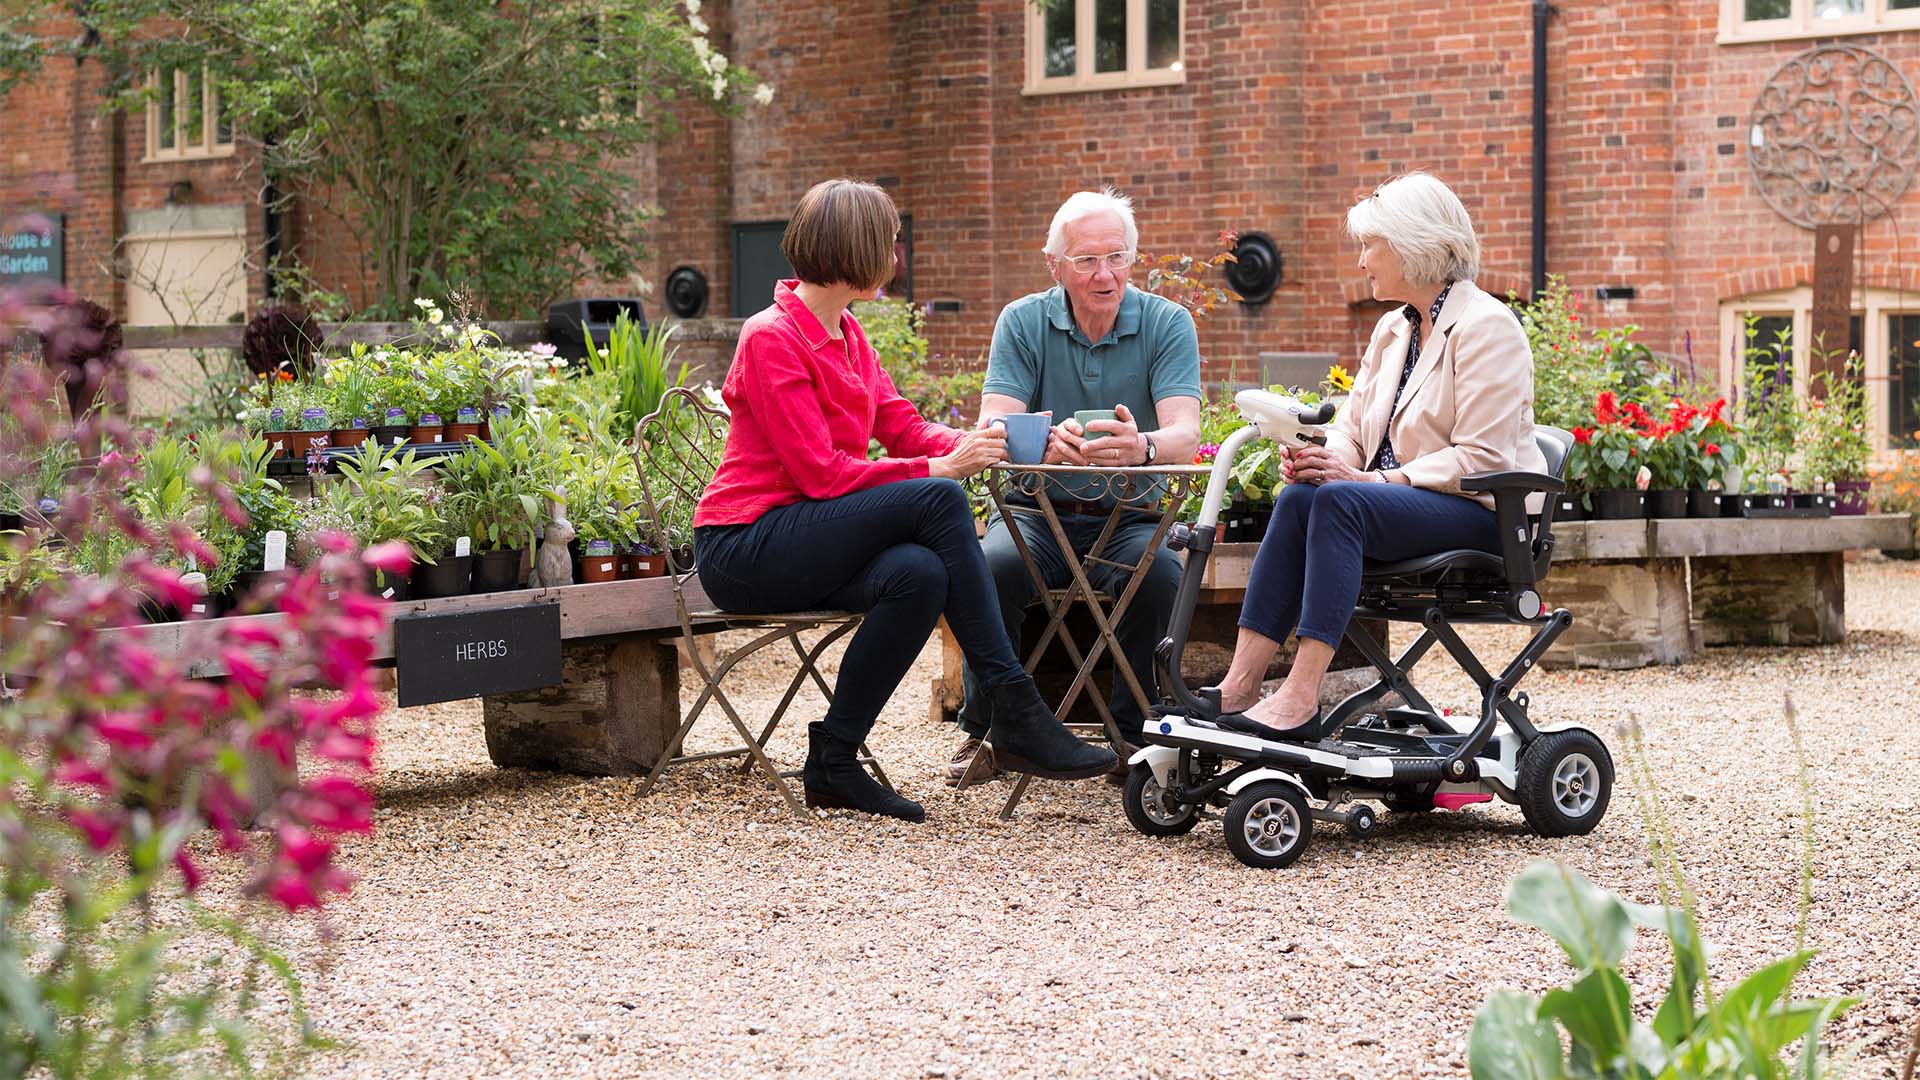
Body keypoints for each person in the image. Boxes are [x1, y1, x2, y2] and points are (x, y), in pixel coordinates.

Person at [692, 178, 1117, 823]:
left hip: (808, 534)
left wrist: (994, 440)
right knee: (941, 497)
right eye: (891, 242)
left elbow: (908, 429)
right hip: (746, 546)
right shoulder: (771, 336)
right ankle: (1014, 705)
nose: (897, 256)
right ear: (854, 247)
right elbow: (820, 475)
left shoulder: (851, 337)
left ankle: (833, 761)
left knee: (917, 575)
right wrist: (941, 467)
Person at [1210, 172, 1547, 739]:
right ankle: (1240, 685)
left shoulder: (1490, 327)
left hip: (1483, 515)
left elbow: (1482, 458)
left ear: (1414, 246)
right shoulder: (1394, 329)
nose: (1362, 261)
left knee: (1342, 502)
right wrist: (1327, 460)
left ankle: (1301, 694)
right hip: (1397, 505)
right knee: (1299, 496)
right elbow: (1352, 428)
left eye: (1371, 246)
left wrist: (1372, 480)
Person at [952, 188, 1202, 785]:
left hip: (1132, 518)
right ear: (1055, 265)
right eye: (1087, 260)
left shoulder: (1167, 322)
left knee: (1164, 574)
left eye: (1116, 257)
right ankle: (991, 730)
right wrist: (1041, 441)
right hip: (1036, 514)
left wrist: (1138, 447)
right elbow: (995, 424)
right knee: (987, 569)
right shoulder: (1023, 320)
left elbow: (1185, 436)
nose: (1104, 273)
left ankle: (1132, 737)